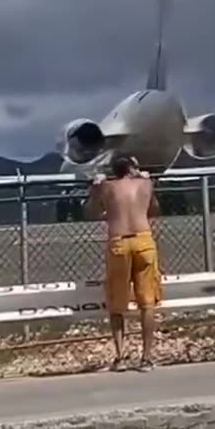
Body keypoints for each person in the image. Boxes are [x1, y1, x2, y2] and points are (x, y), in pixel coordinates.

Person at [85, 154, 164, 371]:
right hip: (143, 239)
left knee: (116, 303)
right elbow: (154, 208)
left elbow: (92, 211)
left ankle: (121, 357)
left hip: (119, 241)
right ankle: (146, 358)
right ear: (131, 168)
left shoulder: (107, 187)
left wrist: (94, 189)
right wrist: (143, 179)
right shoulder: (146, 183)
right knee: (147, 303)